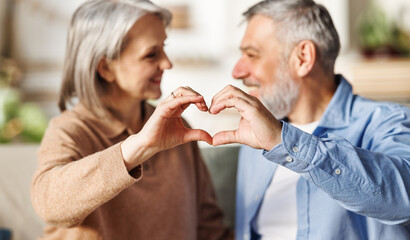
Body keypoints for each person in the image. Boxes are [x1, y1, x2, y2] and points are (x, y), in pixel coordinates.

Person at [30, 0, 233, 239]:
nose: (167, 63)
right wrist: (140, 146)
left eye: (164, 48)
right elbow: (48, 205)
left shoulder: (178, 127)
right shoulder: (70, 130)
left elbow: (210, 228)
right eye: (151, 54)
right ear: (105, 68)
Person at [208, 0, 410, 239]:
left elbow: (404, 199)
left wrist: (282, 142)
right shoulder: (255, 134)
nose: (237, 71)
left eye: (252, 55)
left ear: (303, 58)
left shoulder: (387, 121)